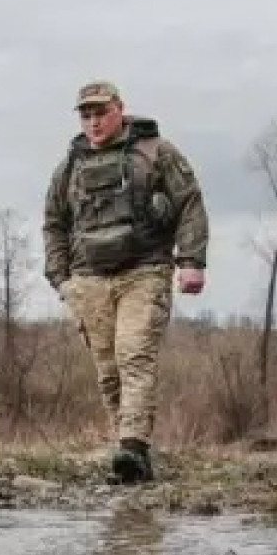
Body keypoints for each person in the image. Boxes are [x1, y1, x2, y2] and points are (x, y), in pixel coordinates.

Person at [43, 80, 209, 484]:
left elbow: (189, 203)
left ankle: (132, 446)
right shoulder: (69, 168)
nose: (94, 122)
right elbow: (54, 224)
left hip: (144, 271)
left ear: (119, 109)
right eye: (86, 115)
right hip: (88, 280)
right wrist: (61, 279)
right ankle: (129, 455)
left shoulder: (156, 152)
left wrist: (191, 261)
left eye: (101, 112)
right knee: (108, 370)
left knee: (134, 355)